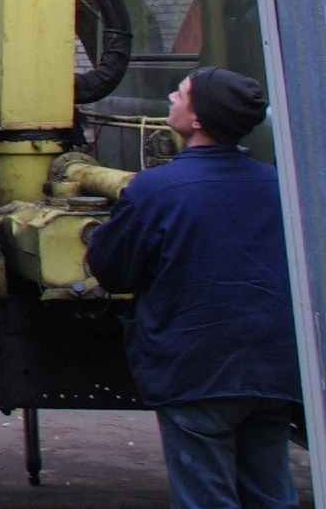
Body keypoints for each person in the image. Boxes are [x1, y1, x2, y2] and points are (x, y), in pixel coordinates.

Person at [84, 67, 301, 509]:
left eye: (180, 94)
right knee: (271, 493)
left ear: (198, 118)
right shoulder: (281, 186)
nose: (171, 98)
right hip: (274, 367)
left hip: (197, 369)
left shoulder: (156, 191)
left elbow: (112, 270)